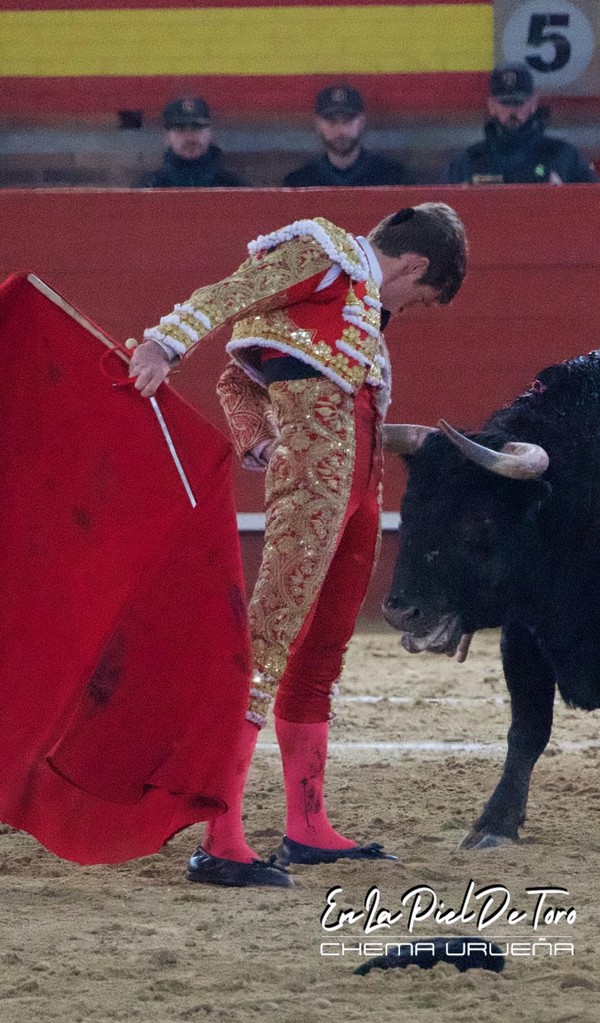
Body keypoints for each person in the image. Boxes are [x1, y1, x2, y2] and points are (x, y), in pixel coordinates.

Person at [128, 203, 467, 886]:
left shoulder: (360, 313)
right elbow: (231, 295)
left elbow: (240, 381)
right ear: (414, 265)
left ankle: (306, 825)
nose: (409, 307)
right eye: (421, 297)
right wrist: (163, 344)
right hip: (314, 484)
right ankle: (220, 838)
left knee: (319, 657)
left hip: (360, 490)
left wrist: (255, 433)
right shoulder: (326, 254)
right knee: (270, 642)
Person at [445, 64, 599, 185]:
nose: (513, 111)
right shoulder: (469, 162)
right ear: (492, 106)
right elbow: (437, 215)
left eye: (519, 103)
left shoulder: (563, 156)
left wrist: (564, 197)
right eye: (506, 103)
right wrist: (461, 199)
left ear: (533, 103)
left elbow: (599, 209)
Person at [282, 85, 411, 187]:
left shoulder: (394, 179)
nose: (340, 129)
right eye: (331, 120)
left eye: (348, 120)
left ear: (362, 121)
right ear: (318, 123)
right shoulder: (299, 183)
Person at [137, 97, 248, 188]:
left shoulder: (233, 186)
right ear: (167, 137)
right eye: (180, 128)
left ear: (210, 133)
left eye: (197, 127)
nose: (189, 136)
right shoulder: (149, 187)